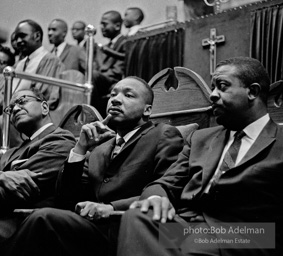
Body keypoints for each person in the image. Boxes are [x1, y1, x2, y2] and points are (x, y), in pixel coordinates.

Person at [117, 57, 283, 256]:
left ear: (252, 92)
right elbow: (165, 182)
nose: (212, 95)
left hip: (246, 235)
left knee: (187, 245)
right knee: (137, 217)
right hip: (186, 228)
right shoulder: (200, 138)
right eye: (213, 87)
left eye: (222, 86)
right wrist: (156, 197)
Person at [2, 76, 185, 256]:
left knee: (43, 218)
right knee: (45, 219)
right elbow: (65, 200)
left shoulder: (163, 134)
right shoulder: (99, 148)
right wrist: (80, 148)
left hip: (134, 228)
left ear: (147, 110)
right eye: (112, 95)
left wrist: (112, 207)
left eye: (128, 95)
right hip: (96, 231)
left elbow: (166, 191)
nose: (116, 100)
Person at [0, 88, 76, 242]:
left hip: (21, 227)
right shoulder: (10, 152)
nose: (15, 109)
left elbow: (15, 191)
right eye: (10, 108)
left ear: (45, 107)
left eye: (22, 101)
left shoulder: (60, 140)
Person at [13, 19, 65, 110]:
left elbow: (44, 97)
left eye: (22, 36)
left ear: (37, 36)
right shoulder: (21, 63)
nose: (18, 41)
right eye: (16, 38)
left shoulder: (51, 60)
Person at [91, 10, 126, 117]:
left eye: (105, 24)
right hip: (101, 80)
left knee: (92, 76)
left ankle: (92, 114)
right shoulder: (104, 46)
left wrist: (98, 75)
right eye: (101, 24)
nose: (101, 27)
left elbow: (117, 71)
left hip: (113, 81)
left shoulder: (125, 42)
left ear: (117, 26)